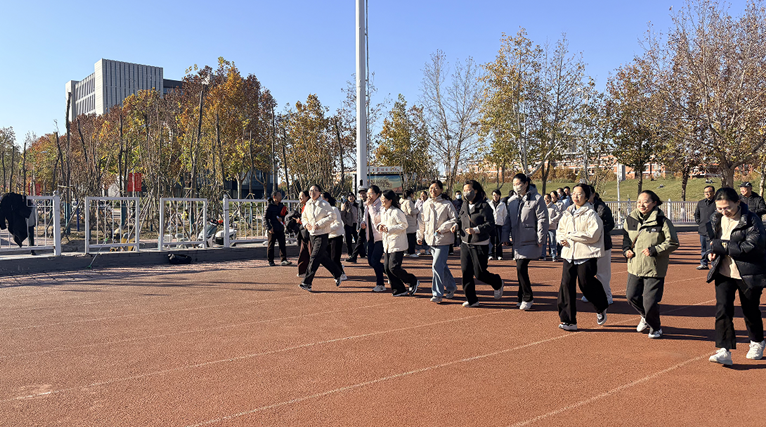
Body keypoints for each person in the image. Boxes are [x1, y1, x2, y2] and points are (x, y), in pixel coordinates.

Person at [706, 187, 765, 365]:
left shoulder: (751, 220)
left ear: (738, 202)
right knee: (723, 309)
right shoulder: (716, 218)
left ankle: (757, 342)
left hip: (748, 273)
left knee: (750, 310)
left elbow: (753, 246)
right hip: (724, 271)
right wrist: (711, 252)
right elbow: (713, 242)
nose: (723, 212)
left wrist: (724, 247)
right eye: (720, 208)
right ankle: (724, 350)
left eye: (727, 208)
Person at [621, 190, 679, 339]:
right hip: (635, 266)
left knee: (650, 302)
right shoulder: (631, 219)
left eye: (646, 202)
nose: (641, 205)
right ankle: (645, 316)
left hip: (654, 267)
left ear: (654, 203)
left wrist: (655, 250)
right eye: (639, 202)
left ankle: (655, 327)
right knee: (631, 297)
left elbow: (673, 242)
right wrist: (626, 250)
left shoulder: (662, 221)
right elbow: (626, 237)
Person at [556, 184, 609, 331]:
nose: (575, 196)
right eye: (573, 193)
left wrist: (571, 235)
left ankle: (601, 306)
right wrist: (561, 239)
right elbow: (560, 230)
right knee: (566, 286)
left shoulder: (591, 215)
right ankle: (569, 321)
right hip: (569, 254)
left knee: (586, 284)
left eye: (579, 194)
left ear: (587, 196)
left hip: (586, 255)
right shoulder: (567, 213)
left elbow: (593, 235)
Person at [502, 173, 549, 310]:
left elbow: (542, 219)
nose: (516, 187)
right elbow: (507, 220)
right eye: (514, 184)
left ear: (526, 183)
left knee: (521, 267)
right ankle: (521, 295)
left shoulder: (537, 199)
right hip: (517, 239)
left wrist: (541, 238)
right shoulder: (511, 201)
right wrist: (505, 237)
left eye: (519, 184)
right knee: (519, 268)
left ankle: (528, 297)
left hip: (530, 238)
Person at [456, 180, 504, 307]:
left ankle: (497, 282)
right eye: (464, 190)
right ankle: (472, 299)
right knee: (466, 272)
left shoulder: (484, 206)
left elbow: (490, 224)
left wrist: (476, 229)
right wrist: (456, 225)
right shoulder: (464, 205)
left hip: (480, 243)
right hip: (465, 243)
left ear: (476, 191)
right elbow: (460, 219)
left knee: (479, 273)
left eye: (469, 190)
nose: (466, 193)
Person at [417, 180, 459, 303]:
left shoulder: (447, 204)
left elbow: (454, 219)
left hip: (443, 240)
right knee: (441, 266)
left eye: (436, 188)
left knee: (436, 265)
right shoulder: (426, 204)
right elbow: (421, 221)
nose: (433, 190)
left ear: (441, 190)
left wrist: (443, 228)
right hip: (430, 239)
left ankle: (437, 293)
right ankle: (451, 287)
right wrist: (419, 236)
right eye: (431, 188)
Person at [299, 184, 344, 291]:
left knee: (314, 258)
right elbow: (304, 217)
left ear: (319, 193)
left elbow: (332, 216)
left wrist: (319, 224)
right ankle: (338, 273)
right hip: (312, 235)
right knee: (322, 258)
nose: (312, 192)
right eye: (311, 190)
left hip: (322, 235)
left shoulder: (324, 204)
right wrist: (306, 224)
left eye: (315, 190)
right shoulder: (308, 204)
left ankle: (307, 283)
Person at [379, 190, 420, 296]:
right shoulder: (384, 211)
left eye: (384, 199)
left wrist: (389, 229)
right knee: (387, 268)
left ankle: (412, 280)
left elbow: (404, 225)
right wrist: (380, 226)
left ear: (390, 200)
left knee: (394, 267)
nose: (382, 201)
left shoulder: (397, 212)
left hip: (397, 243)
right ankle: (399, 289)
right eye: (381, 199)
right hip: (387, 243)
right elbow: (383, 223)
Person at [582, 188, 615, 304]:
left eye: (587, 194)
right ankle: (589, 293)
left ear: (593, 195)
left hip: (602, 244)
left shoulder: (602, 208)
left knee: (602, 273)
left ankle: (607, 295)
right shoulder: (579, 208)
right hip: (586, 245)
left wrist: (596, 231)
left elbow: (610, 224)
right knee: (587, 272)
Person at [361, 185, 386, 292]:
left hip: (380, 237)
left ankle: (380, 284)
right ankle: (392, 273)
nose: (369, 196)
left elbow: (377, 219)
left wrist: (371, 206)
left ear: (378, 194)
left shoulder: (381, 204)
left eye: (371, 193)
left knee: (375, 260)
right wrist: (363, 223)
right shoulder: (367, 205)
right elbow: (365, 217)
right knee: (371, 262)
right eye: (368, 194)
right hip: (370, 237)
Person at [264, 191, 292, 267]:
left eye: (280, 195)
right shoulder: (269, 206)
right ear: (274, 197)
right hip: (273, 229)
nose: (280, 197)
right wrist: (269, 227)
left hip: (280, 228)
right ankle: (271, 260)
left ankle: (283, 259)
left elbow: (286, 216)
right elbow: (265, 218)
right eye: (279, 195)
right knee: (271, 245)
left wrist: (282, 218)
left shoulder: (282, 206)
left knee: (282, 244)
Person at [323, 192, 346, 280]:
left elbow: (338, 223)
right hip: (327, 237)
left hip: (336, 236)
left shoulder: (334, 209)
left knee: (335, 258)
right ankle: (338, 269)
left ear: (327, 199)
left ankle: (341, 274)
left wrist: (327, 229)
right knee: (327, 257)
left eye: (322, 198)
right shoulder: (322, 211)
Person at [289, 191, 311, 277]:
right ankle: (302, 271)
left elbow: (309, 220)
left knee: (315, 255)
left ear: (307, 197)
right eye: (299, 196)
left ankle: (337, 269)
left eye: (302, 196)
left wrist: (300, 221)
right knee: (304, 252)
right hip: (304, 233)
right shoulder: (304, 207)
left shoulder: (309, 206)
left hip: (310, 233)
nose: (300, 198)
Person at [694, 186, 716, 270]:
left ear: (713, 192)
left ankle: (714, 264)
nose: (707, 193)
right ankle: (704, 263)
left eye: (709, 192)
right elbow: (697, 214)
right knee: (703, 248)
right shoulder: (701, 203)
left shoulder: (716, 203)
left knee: (713, 247)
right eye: (705, 192)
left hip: (713, 230)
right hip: (703, 229)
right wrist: (699, 222)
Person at [345, 188, 368, 263]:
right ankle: (354, 257)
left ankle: (364, 254)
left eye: (364, 193)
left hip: (370, 226)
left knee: (365, 241)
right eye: (361, 194)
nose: (362, 195)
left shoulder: (369, 202)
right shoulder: (360, 203)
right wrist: (358, 226)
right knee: (359, 241)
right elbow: (359, 216)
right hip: (361, 225)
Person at [400, 189, 420, 257]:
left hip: (405, 220)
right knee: (411, 238)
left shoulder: (402, 202)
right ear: (411, 194)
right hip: (410, 222)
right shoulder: (409, 202)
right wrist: (417, 210)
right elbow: (411, 211)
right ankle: (412, 252)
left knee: (406, 238)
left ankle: (406, 251)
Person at [488, 189, 507, 260]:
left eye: (496, 195)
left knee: (499, 240)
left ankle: (499, 255)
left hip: (499, 224)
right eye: (494, 195)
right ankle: (490, 254)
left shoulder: (503, 204)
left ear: (499, 196)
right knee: (491, 240)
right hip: (491, 224)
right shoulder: (489, 204)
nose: (495, 197)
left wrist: (504, 224)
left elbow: (505, 215)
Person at [544, 193, 561, 261]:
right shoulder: (543, 206)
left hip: (552, 227)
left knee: (552, 242)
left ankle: (553, 255)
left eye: (547, 199)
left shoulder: (554, 206)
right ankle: (543, 255)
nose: (546, 200)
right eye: (545, 199)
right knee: (544, 242)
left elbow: (559, 215)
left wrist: (553, 220)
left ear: (550, 199)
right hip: (544, 227)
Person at [415, 190, 429, 255]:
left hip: (427, 219)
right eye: (421, 195)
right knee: (419, 233)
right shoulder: (418, 202)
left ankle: (426, 249)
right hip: (420, 219)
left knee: (426, 233)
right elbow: (415, 209)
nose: (422, 196)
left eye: (424, 195)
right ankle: (418, 249)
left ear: (426, 195)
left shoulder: (429, 202)